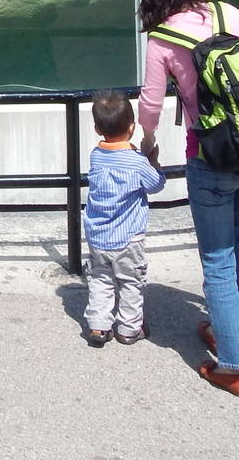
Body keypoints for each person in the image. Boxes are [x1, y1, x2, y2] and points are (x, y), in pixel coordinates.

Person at [135, 0, 239, 398]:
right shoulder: (230, 13)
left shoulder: (163, 37)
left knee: (217, 257)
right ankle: (226, 329)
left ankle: (232, 366)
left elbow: (151, 103)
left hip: (211, 155)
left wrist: (148, 142)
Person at [81, 90, 165, 347]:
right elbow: (156, 184)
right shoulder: (137, 162)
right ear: (132, 127)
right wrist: (152, 161)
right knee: (131, 282)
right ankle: (129, 328)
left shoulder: (96, 156)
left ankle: (98, 326)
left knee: (101, 279)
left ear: (97, 129)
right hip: (128, 238)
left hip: (98, 235)